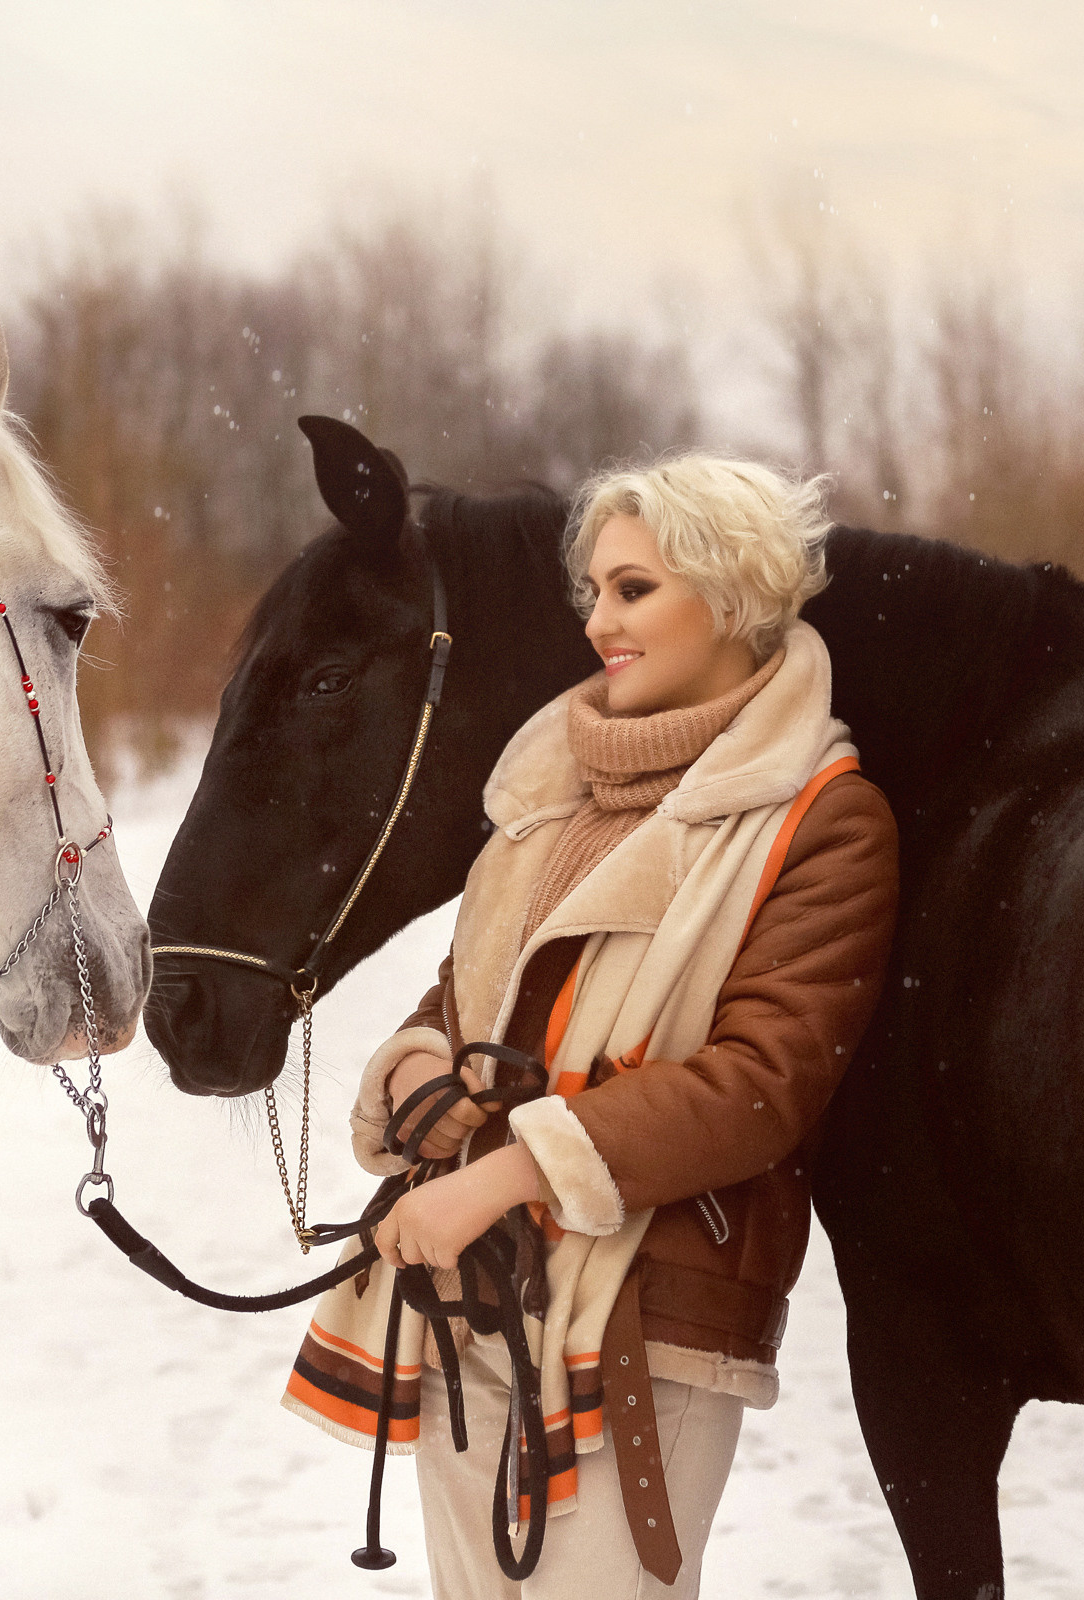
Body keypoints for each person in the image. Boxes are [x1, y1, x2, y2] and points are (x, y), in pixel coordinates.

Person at [283, 453, 899, 1598]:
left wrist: (511, 1169)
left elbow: (757, 1087)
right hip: (474, 1286)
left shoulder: (827, 820)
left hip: (645, 1316)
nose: (598, 622)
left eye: (634, 590)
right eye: (596, 593)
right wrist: (423, 1067)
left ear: (731, 594)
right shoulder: (551, 786)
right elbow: (471, 989)